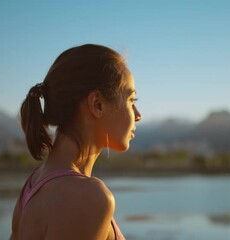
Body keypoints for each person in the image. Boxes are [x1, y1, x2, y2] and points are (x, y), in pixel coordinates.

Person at [10, 44, 142, 240]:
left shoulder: (34, 184)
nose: (138, 115)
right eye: (131, 100)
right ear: (97, 104)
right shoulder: (87, 197)